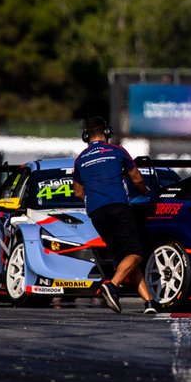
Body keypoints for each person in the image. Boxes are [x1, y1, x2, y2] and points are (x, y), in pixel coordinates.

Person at [72, 118, 156, 315]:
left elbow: (77, 192)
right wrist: (145, 192)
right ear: (107, 133)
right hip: (118, 207)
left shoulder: (81, 159)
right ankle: (112, 285)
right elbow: (137, 178)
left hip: (96, 212)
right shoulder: (118, 151)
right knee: (136, 253)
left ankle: (149, 303)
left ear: (86, 136)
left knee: (125, 257)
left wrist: (96, 193)